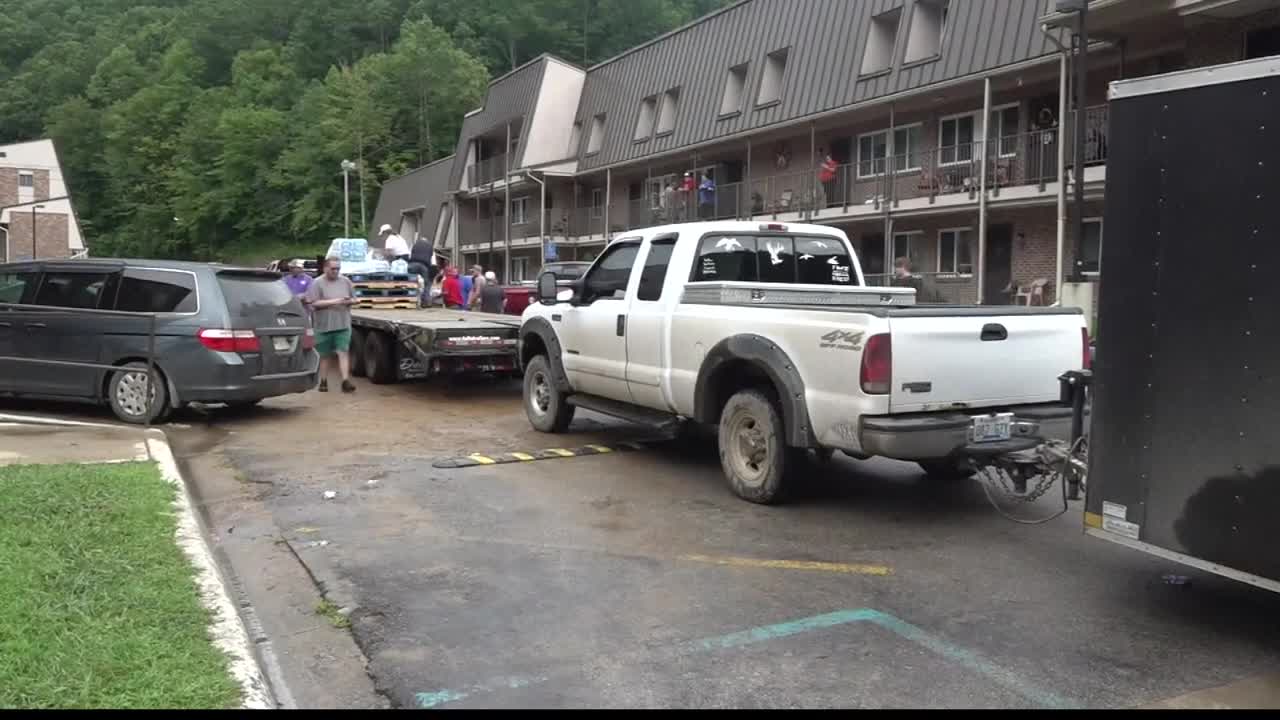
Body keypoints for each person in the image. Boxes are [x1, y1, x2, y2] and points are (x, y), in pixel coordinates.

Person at [303, 256, 359, 393]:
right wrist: (337, 301)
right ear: (325, 268)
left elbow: (356, 299)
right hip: (323, 326)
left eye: (338, 269)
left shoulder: (345, 281)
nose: (336, 271)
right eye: (333, 268)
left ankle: (345, 381)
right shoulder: (317, 283)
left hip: (343, 324)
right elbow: (313, 303)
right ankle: (323, 381)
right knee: (324, 355)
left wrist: (350, 301)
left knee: (343, 352)